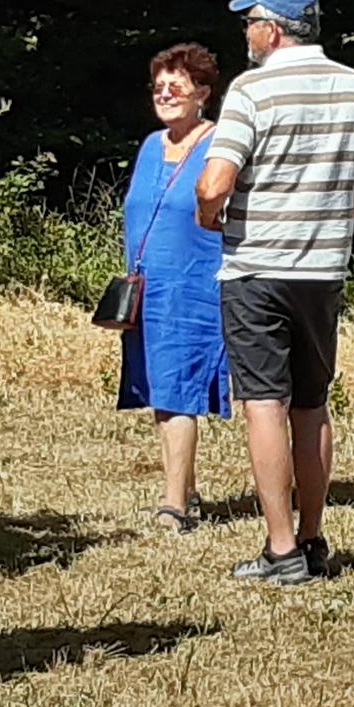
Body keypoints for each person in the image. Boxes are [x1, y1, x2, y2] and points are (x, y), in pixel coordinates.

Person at [194, 0, 354, 588]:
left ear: (273, 29)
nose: (245, 33)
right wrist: (334, 214)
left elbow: (213, 184)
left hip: (257, 269)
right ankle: (312, 540)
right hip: (323, 271)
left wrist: (212, 219)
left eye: (250, 22)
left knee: (263, 404)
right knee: (312, 404)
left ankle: (280, 550)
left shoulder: (251, 91)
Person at [117, 40, 230, 531]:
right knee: (163, 389)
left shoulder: (220, 144)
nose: (164, 95)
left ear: (202, 92)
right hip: (148, 288)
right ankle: (187, 487)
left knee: (176, 394)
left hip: (193, 287)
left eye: (175, 87)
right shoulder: (150, 145)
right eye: (158, 87)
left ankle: (174, 506)